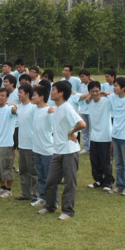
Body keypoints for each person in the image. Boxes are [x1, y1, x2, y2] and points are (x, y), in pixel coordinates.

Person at [38, 81, 85, 220]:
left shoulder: (67, 108)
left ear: (61, 93)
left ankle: (68, 211)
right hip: (57, 151)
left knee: (69, 182)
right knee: (51, 181)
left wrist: (72, 132)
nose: (51, 92)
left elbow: (82, 124)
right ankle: (50, 206)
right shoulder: (58, 108)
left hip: (69, 151)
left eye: (53, 90)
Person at [84, 81, 114, 190]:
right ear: (89, 92)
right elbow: (83, 98)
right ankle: (98, 180)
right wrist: (89, 96)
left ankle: (108, 182)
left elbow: (116, 96)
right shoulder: (89, 102)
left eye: (97, 91)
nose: (95, 93)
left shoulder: (107, 101)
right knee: (95, 161)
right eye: (92, 91)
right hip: (94, 136)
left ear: (100, 90)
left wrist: (105, 93)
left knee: (106, 160)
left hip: (106, 136)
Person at [0, 88, 18, 198]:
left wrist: (13, 104)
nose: (0, 97)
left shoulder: (9, 109)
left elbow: (18, 110)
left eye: (3, 95)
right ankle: (2, 187)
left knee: (7, 167)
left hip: (6, 143)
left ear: (7, 98)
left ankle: (9, 189)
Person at [15, 84, 38, 201]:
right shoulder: (19, 107)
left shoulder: (33, 108)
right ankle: (26, 193)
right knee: (23, 171)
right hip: (22, 144)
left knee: (33, 171)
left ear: (27, 94)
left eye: (20, 93)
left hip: (31, 145)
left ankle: (36, 194)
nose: (18, 95)